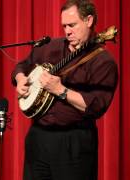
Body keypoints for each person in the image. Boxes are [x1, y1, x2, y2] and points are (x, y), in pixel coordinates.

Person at [11, 0, 118, 179]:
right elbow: (21, 66)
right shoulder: (50, 46)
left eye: (72, 25)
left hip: (73, 144)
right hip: (38, 139)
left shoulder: (103, 62)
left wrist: (61, 90)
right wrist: (20, 79)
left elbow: (96, 106)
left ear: (89, 20)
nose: (67, 31)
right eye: (64, 26)